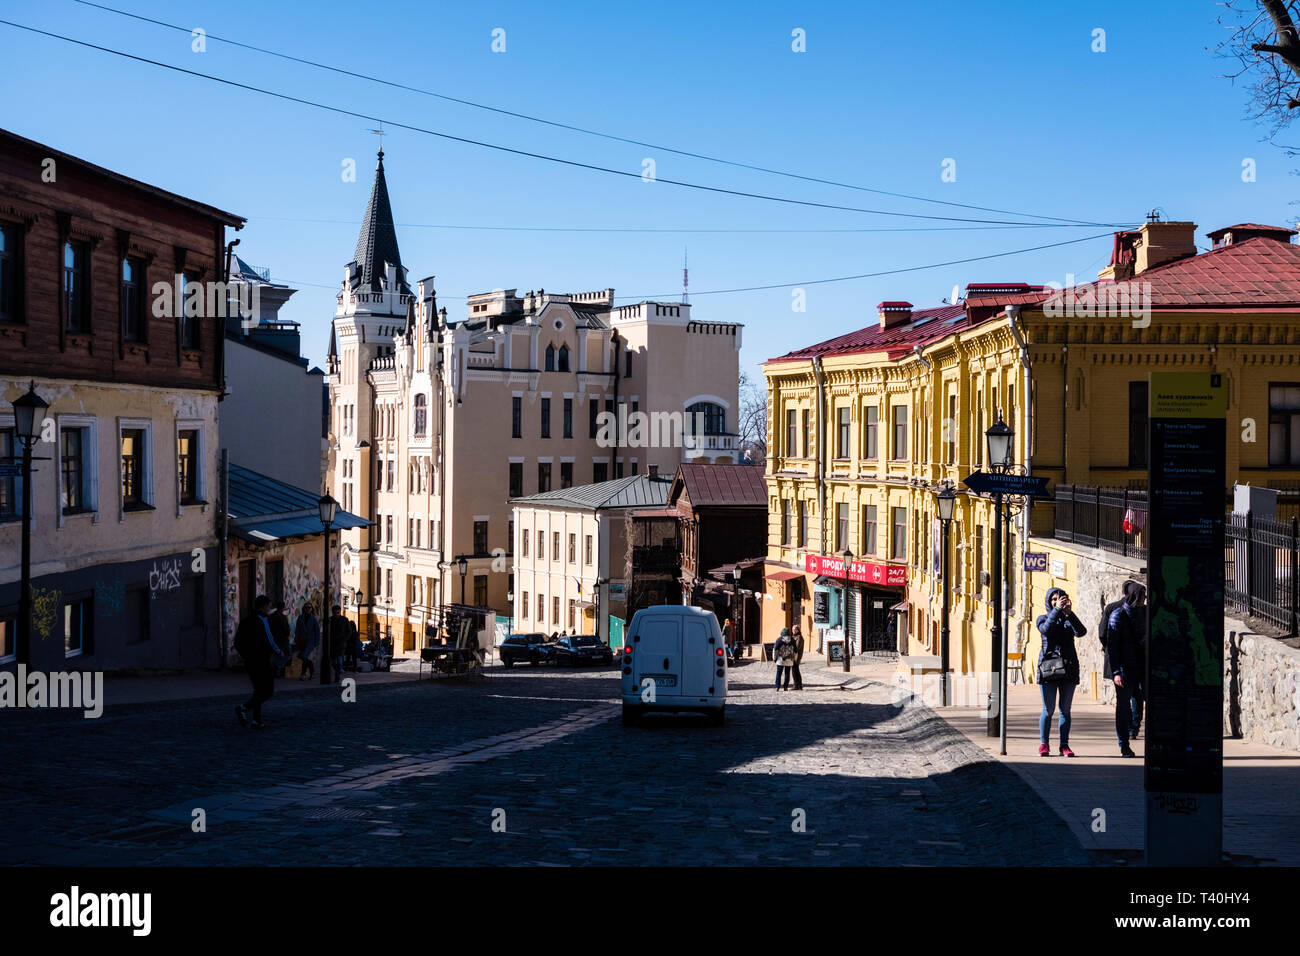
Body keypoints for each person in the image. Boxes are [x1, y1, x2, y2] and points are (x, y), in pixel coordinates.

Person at [1035, 587, 1086, 757]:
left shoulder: (1068, 619)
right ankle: (1044, 744)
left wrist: (1069, 614)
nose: (1057, 601)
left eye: (1061, 598)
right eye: (1053, 599)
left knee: (1065, 709)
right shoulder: (1042, 618)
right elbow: (1046, 630)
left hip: (1068, 668)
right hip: (1049, 669)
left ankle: (1064, 745)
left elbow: (1081, 632)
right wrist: (1057, 610)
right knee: (1048, 709)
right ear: (1049, 602)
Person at [1105, 581, 1147, 758]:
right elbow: (1112, 647)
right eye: (1142, 596)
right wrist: (1115, 672)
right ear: (1134, 596)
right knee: (1123, 707)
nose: (1144, 599)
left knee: (1141, 700)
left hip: (1142, 667)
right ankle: (1124, 745)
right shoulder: (1118, 615)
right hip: (1124, 669)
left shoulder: (1144, 613)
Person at [233, 595, 278, 728]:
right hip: (262, 661)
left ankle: (256, 720)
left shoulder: (245, 620)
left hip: (250, 661)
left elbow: (237, 642)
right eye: (269, 606)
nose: (270, 608)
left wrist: (246, 656)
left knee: (258, 690)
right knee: (268, 691)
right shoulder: (263, 620)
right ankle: (244, 708)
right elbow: (270, 640)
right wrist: (278, 651)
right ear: (263, 606)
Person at [294, 602, 320, 680]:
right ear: (304, 609)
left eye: (309, 608)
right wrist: (296, 638)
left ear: (311, 609)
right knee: (302, 656)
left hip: (310, 641)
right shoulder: (300, 617)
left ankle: (303, 674)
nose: (308, 609)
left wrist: (316, 642)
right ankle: (311, 670)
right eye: (306, 608)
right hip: (302, 641)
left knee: (304, 656)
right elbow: (297, 629)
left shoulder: (314, 619)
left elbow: (317, 631)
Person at [269, 603, 292, 678]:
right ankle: (277, 666)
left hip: (273, 639)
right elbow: (286, 629)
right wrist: (287, 633)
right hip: (282, 639)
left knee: (277, 654)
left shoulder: (271, 617)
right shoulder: (283, 617)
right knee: (288, 654)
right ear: (283, 608)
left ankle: (276, 669)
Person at [327, 605, 348, 683]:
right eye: (335, 613)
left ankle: (337, 675)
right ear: (332, 613)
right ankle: (337, 672)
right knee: (333, 662)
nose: (336, 614)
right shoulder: (330, 620)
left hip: (341, 644)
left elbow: (349, 631)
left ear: (340, 612)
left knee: (339, 661)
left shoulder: (344, 620)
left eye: (338, 612)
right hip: (332, 644)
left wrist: (344, 639)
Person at [790, 624, 805, 690]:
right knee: (796, 670)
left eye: (795, 630)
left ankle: (796, 685)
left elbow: (797, 647)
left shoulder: (799, 637)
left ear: (798, 630)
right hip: (794, 656)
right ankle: (799, 685)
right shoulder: (793, 637)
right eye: (793, 629)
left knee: (795, 670)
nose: (794, 631)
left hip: (796, 656)